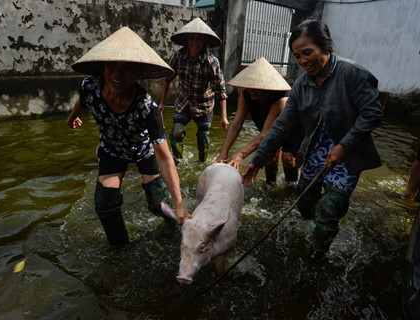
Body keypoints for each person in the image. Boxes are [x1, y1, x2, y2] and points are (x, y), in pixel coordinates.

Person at [241, 20, 384, 261]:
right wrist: (258, 159)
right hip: (316, 153)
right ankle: (321, 221)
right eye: (297, 56)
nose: (302, 60)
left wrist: (344, 146)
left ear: (325, 47)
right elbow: (282, 126)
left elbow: (373, 113)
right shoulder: (301, 85)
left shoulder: (352, 74)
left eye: (307, 52)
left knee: (329, 210)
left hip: (347, 156)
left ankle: (318, 256)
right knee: (305, 204)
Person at [66, 27, 191, 247]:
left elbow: (164, 157)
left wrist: (180, 204)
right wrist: (72, 118)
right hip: (112, 149)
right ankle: (120, 248)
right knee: (105, 203)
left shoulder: (147, 108)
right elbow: (82, 102)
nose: (117, 74)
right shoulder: (90, 86)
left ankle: (177, 228)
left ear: (137, 73)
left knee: (157, 203)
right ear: (103, 66)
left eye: (127, 68)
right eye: (112, 65)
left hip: (142, 151)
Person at [214, 57, 303, 184]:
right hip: (268, 127)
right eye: (249, 86)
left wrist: (241, 154)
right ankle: (270, 185)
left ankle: (291, 187)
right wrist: (224, 152)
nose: (251, 90)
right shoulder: (245, 94)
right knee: (270, 157)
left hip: (292, 128)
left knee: (287, 158)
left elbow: (265, 135)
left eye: (256, 87)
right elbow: (236, 124)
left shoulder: (282, 99)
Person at [159, 17, 229, 163]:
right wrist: (162, 103)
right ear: (187, 40)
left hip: (204, 105)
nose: (195, 43)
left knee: (203, 138)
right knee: (177, 132)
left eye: (199, 39)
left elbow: (220, 90)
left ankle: (202, 163)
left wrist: (224, 116)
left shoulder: (211, 62)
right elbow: (167, 79)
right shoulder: (177, 56)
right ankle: (178, 162)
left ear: (204, 42)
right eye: (192, 38)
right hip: (183, 102)